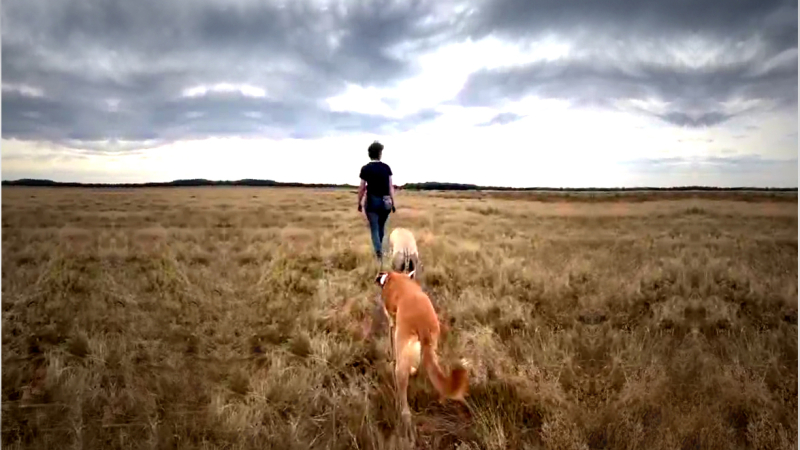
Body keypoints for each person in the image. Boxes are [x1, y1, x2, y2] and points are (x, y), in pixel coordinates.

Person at [357, 140, 396, 265]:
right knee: (381, 227)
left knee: (374, 228)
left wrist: (359, 202)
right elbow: (390, 187)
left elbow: (362, 187)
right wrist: (393, 203)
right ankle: (381, 251)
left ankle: (379, 255)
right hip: (386, 201)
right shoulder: (386, 167)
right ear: (380, 154)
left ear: (369, 154)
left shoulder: (366, 168)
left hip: (372, 201)